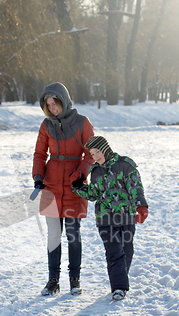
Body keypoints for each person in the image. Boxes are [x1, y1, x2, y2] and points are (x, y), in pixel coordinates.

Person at [32, 82, 94, 296]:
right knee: (53, 235)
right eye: (48, 105)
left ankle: (74, 279)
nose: (52, 108)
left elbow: (91, 153)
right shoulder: (46, 125)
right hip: (51, 185)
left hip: (74, 185)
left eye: (55, 103)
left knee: (73, 234)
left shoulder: (82, 123)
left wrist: (82, 174)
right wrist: (38, 177)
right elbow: (40, 154)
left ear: (64, 101)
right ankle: (53, 280)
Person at [72, 135, 148, 300]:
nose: (96, 156)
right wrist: (78, 187)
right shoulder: (96, 171)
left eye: (98, 152)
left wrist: (141, 205)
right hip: (105, 219)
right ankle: (119, 287)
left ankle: (120, 277)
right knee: (114, 251)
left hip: (126, 216)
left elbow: (135, 186)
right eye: (92, 154)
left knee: (127, 249)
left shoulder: (125, 165)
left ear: (105, 148)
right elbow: (94, 194)